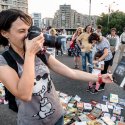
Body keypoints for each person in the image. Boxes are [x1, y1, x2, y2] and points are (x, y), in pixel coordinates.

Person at [0, 9, 113, 125]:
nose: (28, 36)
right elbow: (25, 95)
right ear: (4, 33)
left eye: (29, 30)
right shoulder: (4, 61)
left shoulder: (40, 54)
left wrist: (99, 78)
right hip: (32, 121)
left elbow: (71, 72)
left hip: (57, 116)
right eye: (21, 31)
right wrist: (30, 53)